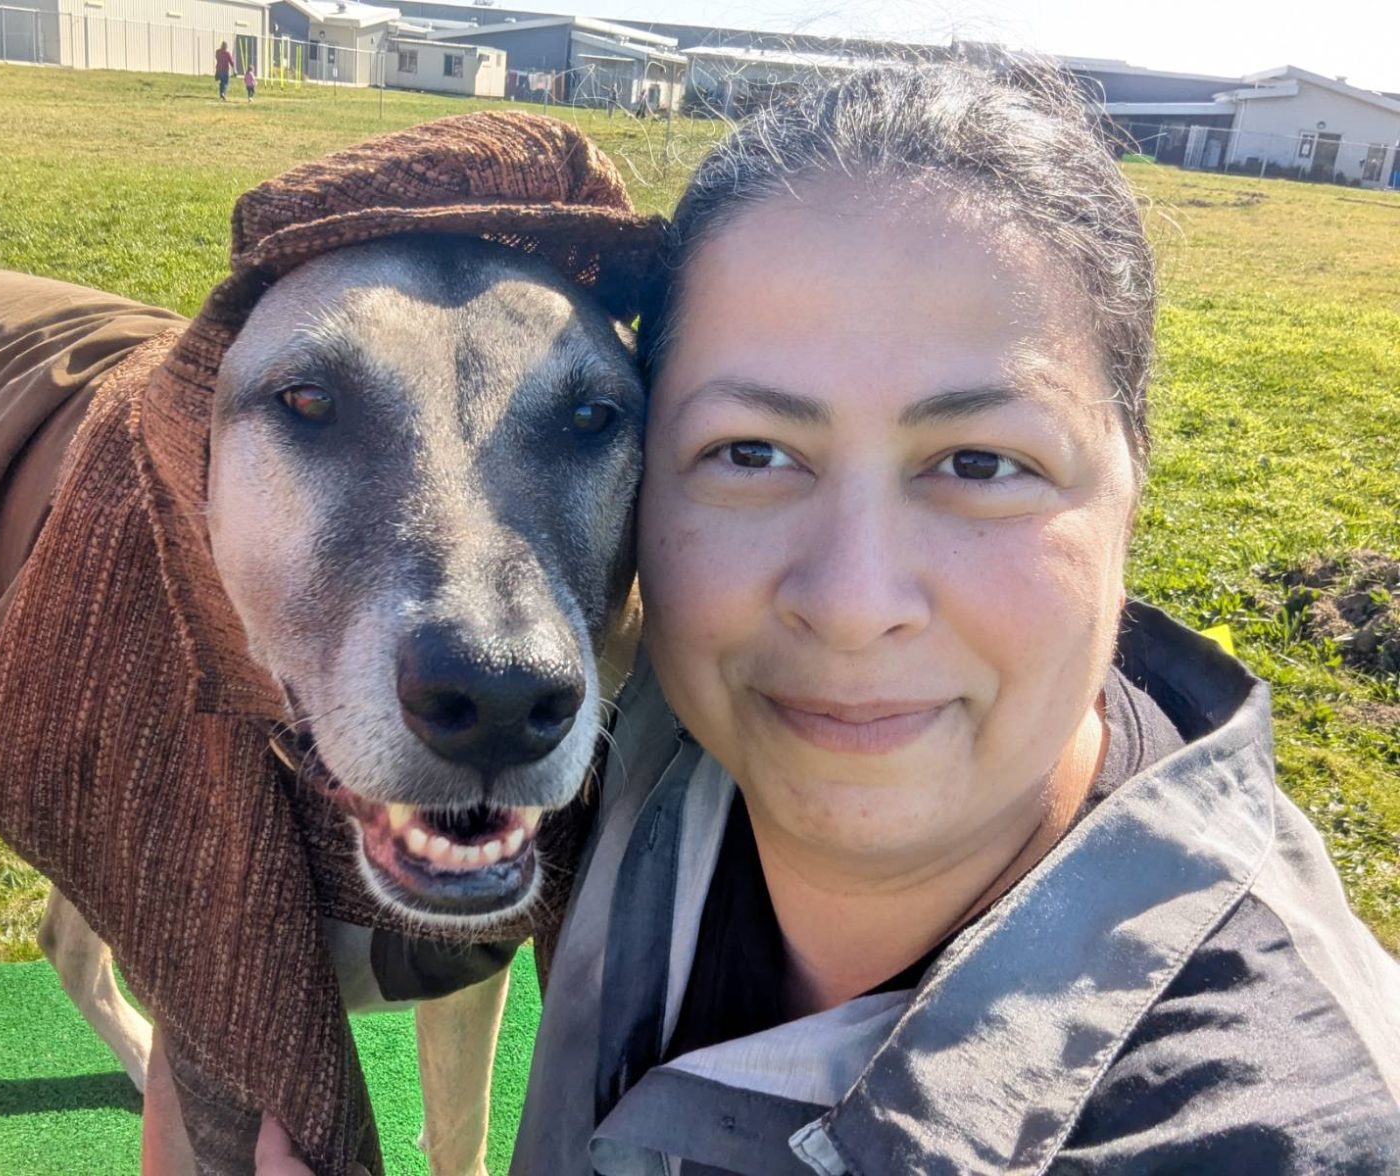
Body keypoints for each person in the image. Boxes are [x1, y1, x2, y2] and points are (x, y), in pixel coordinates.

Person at [514, 63, 1400, 1173]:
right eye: (751, 452)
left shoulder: (1263, 1137)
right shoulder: (643, 738)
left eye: (978, 464)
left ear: (1135, 490)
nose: (848, 604)